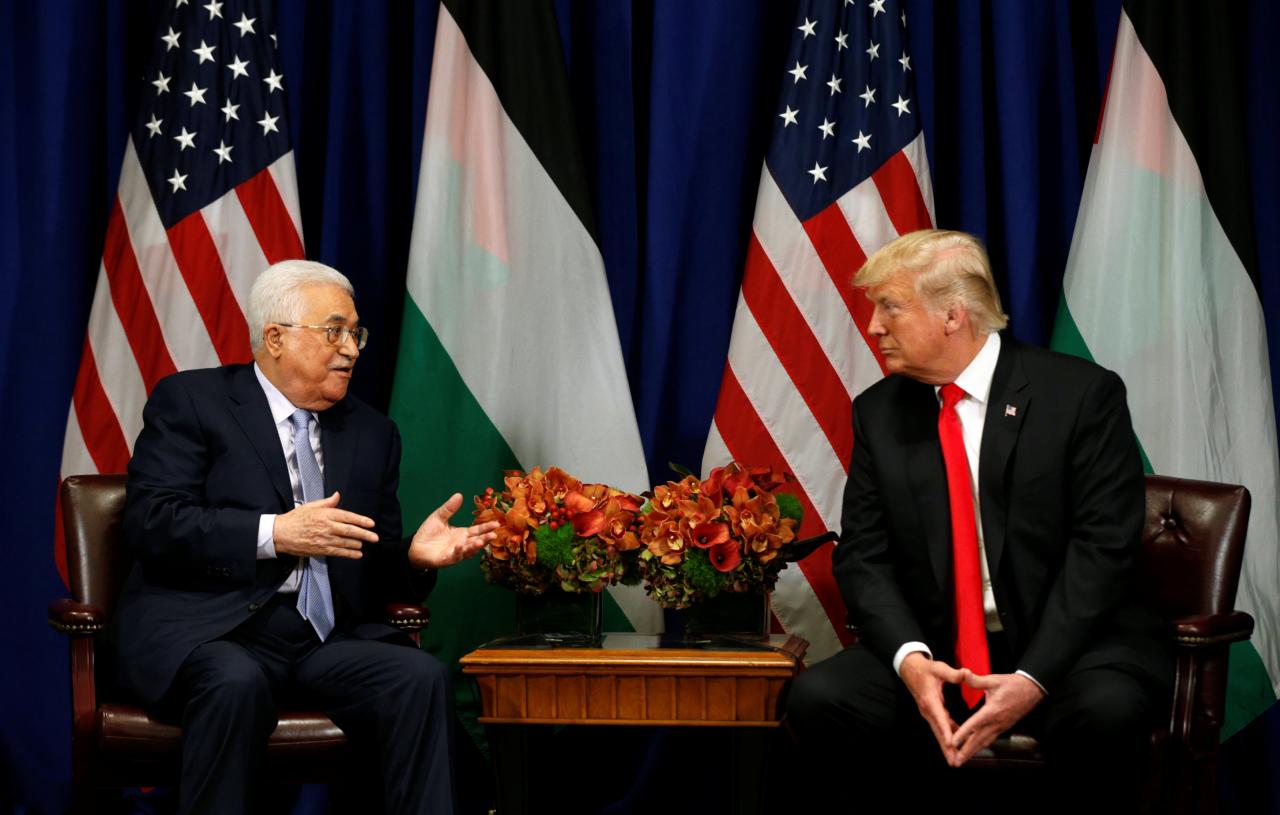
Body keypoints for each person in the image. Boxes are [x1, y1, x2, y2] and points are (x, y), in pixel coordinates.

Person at [784, 230, 1171, 809]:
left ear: (952, 315)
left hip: (1067, 650)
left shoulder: (1081, 395)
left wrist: (1033, 677)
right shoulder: (879, 413)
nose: (873, 327)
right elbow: (863, 555)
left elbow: (1103, 549)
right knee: (818, 698)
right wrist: (912, 664)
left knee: (1107, 712)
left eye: (890, 307)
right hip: (938, 649)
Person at [113, 259, 499, 814]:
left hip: (323, 639)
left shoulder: (372, 432)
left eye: (355, 333)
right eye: (334, 331)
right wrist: (276, 533)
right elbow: (153, 521)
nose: (352, 348)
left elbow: (369, 556)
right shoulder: (192, 402)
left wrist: (413, 558)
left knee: (420, 677)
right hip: (213, 628)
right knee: (235, 682)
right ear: (275, 338)